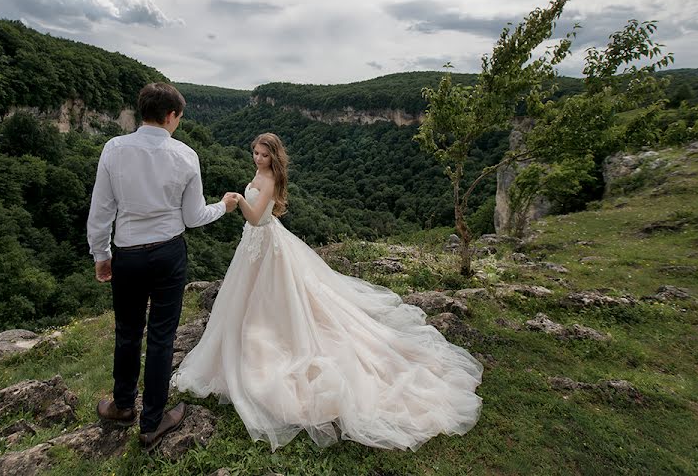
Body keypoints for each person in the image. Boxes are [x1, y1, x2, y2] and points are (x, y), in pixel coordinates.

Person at [173, 133, 484, 451]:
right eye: (254, 153)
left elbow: (254, 219)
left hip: (264, 243)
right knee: (250, 298)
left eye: (263, 155)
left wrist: (237, 201)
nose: (257, 159)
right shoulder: (262, 175)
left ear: (274, 157)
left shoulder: (268, 181)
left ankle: (269, 338)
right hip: (257, 247)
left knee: (273, 300)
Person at [87, 82, 238, 450]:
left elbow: (102, 209)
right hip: (168, 253)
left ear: (143, 112)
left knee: (127, 330)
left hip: (128, 254)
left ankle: (123, 405)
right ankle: (152, 422)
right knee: (161, 337)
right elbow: (194, 216)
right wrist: (224, 206)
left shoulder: (114, 149)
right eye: (179, 118)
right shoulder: (185, 156)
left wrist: (101, 254)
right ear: (171, 116)